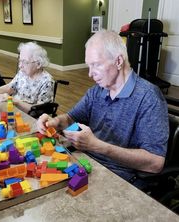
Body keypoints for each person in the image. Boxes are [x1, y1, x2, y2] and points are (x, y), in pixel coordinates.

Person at [37, 29, 169, 189]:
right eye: (88, 66)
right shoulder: (97, 91)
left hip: (119, 177)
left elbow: (155, 163)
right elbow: (70, 118)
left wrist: (97, 146)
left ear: (118, 61)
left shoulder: (149, 97)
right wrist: (54, 122)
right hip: (86, 163)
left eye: (96, 65)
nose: (90, 74)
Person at [0, 42, 54, 114]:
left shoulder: (47, 82)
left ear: (38, 64)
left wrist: (15, 101)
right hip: (13, 108)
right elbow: (10, 87)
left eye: (25, 62)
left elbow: (39, 111)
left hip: (30, 116)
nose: (20, 66)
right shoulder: (23, 72)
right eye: (20, 61)